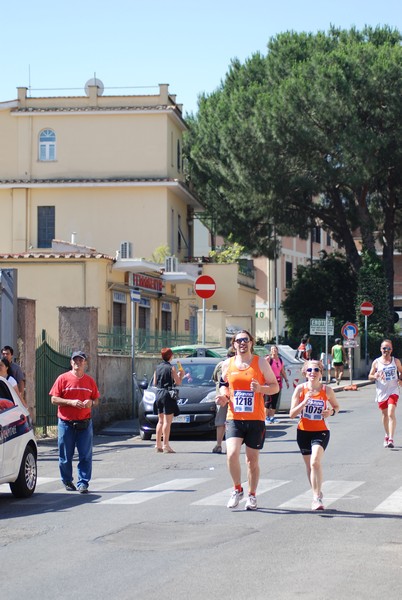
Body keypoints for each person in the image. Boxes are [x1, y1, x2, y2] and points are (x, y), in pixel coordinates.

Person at [216, 330, 279, 510]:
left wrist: (260, 389)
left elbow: (274, 387)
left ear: (251, 343)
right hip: (234, 417)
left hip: (255, 419)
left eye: (246, 340)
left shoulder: (261, 363)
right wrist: (223, 397)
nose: (242, 343)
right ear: (233, 344)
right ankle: (237, 489)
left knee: (252, 460)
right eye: (239, 340)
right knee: (232, 453)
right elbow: (224, 385)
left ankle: (252, 495)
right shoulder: (228, 364)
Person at [289, 359, 339, 511]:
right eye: (309, 370)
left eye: (316, 370)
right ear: (305, 372)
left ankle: (316, 498)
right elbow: (292, 414)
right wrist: (303, 402)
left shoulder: (327, 390)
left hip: (321, 430)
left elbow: (336, 407)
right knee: (309, 466)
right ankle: (316, 492)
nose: (313, 373)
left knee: (315, 462)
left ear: (320, 373)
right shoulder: (300, 389)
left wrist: (330, 412)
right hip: (303, 431)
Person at [49, 351, 100, 493]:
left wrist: (91, 402)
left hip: (85, 423)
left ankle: (83, 483)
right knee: (65, 456)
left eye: (81, 360)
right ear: (71, 363)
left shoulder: (90, 381)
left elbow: (96, 399)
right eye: (75, 360)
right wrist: (70, 402)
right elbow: (53, 399)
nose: (78, 362)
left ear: (85, 363)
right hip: (66, 423)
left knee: (85, 455)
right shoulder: (62, 379)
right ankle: (67, 480)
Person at [368, 339, 402, 448]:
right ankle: (386, 434)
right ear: (380, 349)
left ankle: (391, 438)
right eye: (384, 348)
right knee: (384, 414)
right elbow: (370, 376)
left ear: (391, 350)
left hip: (393, 390)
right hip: (381, 391)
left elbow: (401, 371)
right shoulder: (376, 362)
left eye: (388, 348)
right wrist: (375, 376)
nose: (386, 350)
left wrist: (400, 379)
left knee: (391, 413)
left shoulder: (395, 361)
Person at [153, 347, 184, 453]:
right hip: (167, 394)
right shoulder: (172, 368)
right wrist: (181, 375)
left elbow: (154, 383)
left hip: (159, 393)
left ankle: (158, 444)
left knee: (160, 421)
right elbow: (178, 382)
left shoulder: (157, 367)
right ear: (170, 356)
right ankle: (166, 444)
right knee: (167, 421)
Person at [211, 348, 235, 454]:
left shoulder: (220, 365)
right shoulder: (237, 365)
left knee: (221, 422)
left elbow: (215, 379)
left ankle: (219, 445)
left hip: (221, 397)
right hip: (233, 397)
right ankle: (229, 446)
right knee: (232, 422)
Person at [264, 345, 289, 424]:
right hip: (270, 382)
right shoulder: (269, 359)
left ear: (278, 351)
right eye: (272, 349)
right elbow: (263, 368)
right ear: (270, 351)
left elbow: (282, 371)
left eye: (275, 349)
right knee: (268, 401)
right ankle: (265, 417)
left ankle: (272, 417)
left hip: (278, 381)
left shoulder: (280, 360)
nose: (274, 351)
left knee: (275, 401)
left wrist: (286, 380)